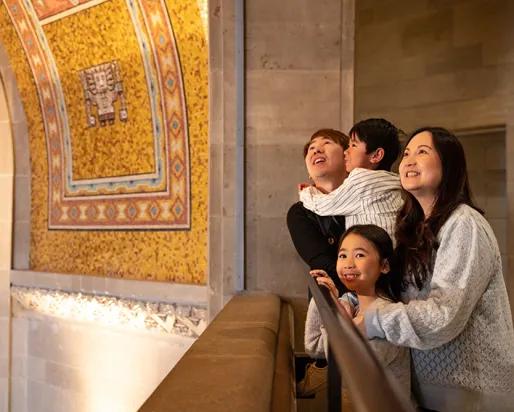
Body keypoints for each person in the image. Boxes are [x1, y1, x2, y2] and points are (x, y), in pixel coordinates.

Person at [356, 127, 514, 412]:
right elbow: (394, 292)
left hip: (469, 398)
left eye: (422, 152)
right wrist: (351, 302)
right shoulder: (414, 228)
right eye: (406, 154)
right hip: (429, 393)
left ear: (449, 163)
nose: (408, 160)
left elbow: (445, 315)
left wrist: (373, 320)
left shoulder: (464, 224)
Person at [305, 224, 410, 398]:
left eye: (359, 255)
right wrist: (323, 300)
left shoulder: (385, 317)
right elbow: (314, 345)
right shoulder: (355, 307)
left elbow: (347, 370)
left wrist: (336, 310)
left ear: (384, 266)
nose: (348, 264)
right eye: (343, 255)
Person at [287, 128, 350, 397]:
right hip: (335, 306)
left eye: (326, 143)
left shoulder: (369, 200)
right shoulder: (301, 212)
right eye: (311, 148)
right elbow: (321, 262)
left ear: (349, 158)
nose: (316, 149)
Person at [299, 118, 403, 241]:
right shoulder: (392, 181)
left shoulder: (362, 179)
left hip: (374, 253)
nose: (346, 152)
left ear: (376, 155)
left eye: (353, 145)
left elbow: (324, 205)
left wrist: (306, 193)